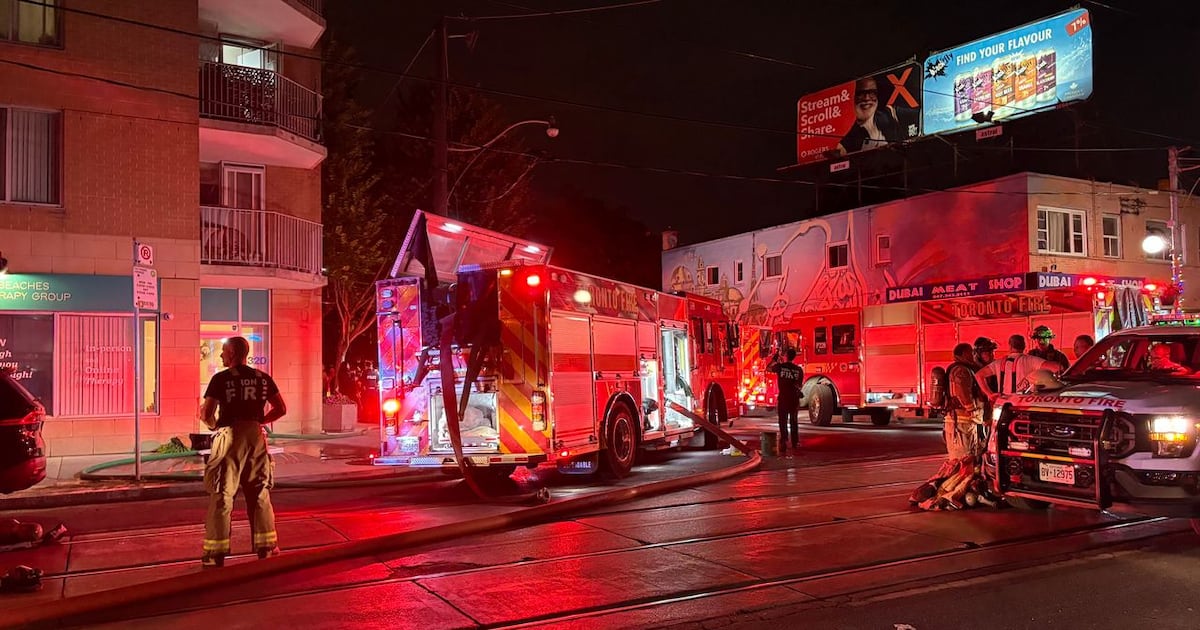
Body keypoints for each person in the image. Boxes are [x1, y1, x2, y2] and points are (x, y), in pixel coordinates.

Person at [200, 336, 287, 567]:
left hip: (230, 437)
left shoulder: (220, 379)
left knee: (222, 493)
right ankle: (266, 548)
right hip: (256, 438)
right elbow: (281, 408)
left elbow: (207, 413)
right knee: (259, 492)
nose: (221, 355)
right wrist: (259, 422)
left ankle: (215, 554)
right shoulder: (262, 378)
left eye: (223, 351)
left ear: (232, 354)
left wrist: (213, 425)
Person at [975, 334, 1055, 400]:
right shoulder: (1032, 360)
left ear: (1010, 346)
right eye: (987, 352)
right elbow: (1057, 367)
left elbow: (979, 375)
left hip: (1003, 404)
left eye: (991, 352)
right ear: (1024, 346)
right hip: (1024, 403)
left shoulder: (998, 363)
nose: (990, 354)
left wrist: (989, 394)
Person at [837, 77, 903, 155]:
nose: (866, 98)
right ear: (852, 98)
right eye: (860, 94)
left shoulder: (889, 113)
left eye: (872, 93)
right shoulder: (846, 142)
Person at [767, 347, 803, 456]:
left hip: (783, 398)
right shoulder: (799, 370)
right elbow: (799, 385)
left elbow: (768, 368)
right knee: (793, 421)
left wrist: (774, 359)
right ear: (794, 357)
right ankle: (795, 442)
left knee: (782, 421)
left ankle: (784, 440)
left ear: (786, 356)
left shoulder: (780, 367)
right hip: (794, 399)